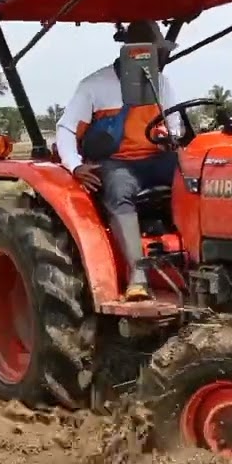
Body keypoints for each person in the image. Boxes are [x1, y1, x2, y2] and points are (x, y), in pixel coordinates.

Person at [54, 19, 185, 302]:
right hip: (118, 162)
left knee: (193, 176)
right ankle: (138, 277)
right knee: (119, 189)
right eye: (152, 51)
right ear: (132, 52)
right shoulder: (94, 85)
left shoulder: (161, 83)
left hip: (156, 158)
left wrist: (170, 134)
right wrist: (75, 165)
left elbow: (175, 124)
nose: (156, 57)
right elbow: (65, 129)